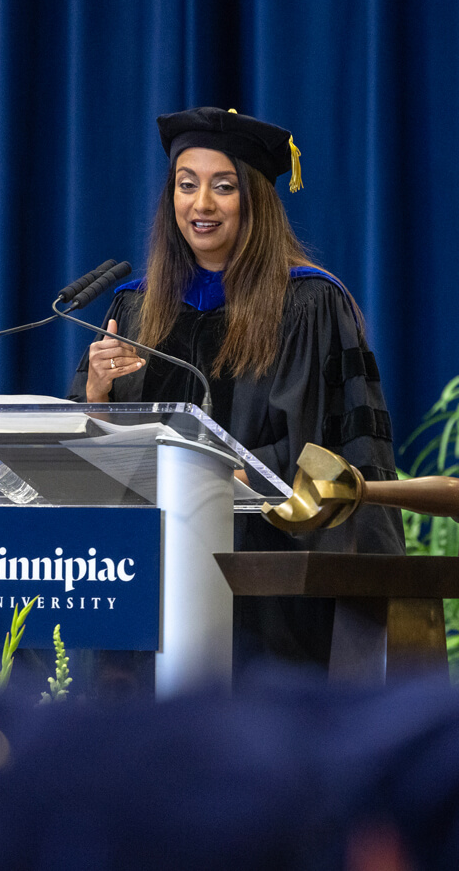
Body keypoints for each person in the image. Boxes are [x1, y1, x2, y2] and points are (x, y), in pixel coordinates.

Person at [69, 106, 405, 667]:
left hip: (269, 575)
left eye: (223, 187)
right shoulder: (136, 306)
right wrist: (97, 394)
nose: (201, 205)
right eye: (186, 185)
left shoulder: (308, 303)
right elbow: (104, 457)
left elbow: (331, 445)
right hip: (153, 568)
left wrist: (222, 475)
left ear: (254, 200)